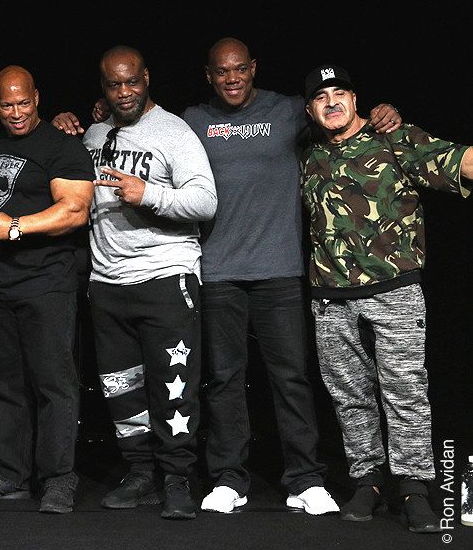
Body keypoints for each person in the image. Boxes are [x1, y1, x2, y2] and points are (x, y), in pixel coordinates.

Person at [53, 37, 399, 517]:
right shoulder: (194, 119)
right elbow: (133, 116)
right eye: (221, 72)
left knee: (291, 378)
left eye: (239, 69)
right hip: (217, 271)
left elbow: (337, 114)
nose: (232, 78)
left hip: (279, 270)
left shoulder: (289, 111)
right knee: (223, 379)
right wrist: (82, 115)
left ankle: (305, 478)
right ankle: (228, 478)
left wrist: (382, 111)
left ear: (253, 68)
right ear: (209, 76)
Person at [302, 64, 472, 533]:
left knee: (405, 391)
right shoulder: (307, 154)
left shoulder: (394, 137)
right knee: (348, 394)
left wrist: (394, 117)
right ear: (310, 109)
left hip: (395, 289)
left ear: (355, 99)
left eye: (340, 93)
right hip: (330, 296)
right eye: (321, 97)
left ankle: (414, 486)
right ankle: (368, 481)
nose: (332, 102)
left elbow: (459, 162)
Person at [80, 45, 217, 520]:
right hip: (107, 280)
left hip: (165, 276)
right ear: (104, 88)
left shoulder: (174, 131)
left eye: (132, 82)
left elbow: (205, 201)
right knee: (121, 387)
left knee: (173, 384)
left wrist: (149, 194)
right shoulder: (95, 133)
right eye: (114, 84)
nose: (124, 92)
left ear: (147, 79)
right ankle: (140, 474)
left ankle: (177, 478)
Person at [0, 65, 94, 514]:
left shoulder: (61, 146)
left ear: (37, 98)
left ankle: (59, 478)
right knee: (1, 383)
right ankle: (10, 473)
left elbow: (75, 210)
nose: (16, 112)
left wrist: (17, 226)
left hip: (46, 284)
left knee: (54, 383)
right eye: (7, 105)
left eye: (23, 102)